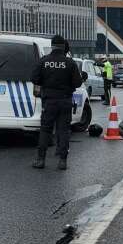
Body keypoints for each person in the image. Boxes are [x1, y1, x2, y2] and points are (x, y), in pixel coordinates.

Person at [31, 34, 85, 170]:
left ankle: (40, 160)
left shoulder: (44, 61)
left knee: (45, 130)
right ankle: (62, 161)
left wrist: (46, 82)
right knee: (63, 130)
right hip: (65, 101)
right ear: (63, 47)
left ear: (52, 45)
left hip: (49, 101)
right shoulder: (70, 63)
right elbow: (78, 83)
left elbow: (34, 79)